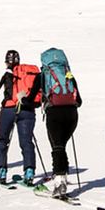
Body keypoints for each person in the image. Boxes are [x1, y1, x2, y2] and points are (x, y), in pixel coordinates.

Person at [0, 50, 42, 184]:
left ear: (6, 61)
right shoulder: (28, 73)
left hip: (8, 110)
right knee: (26, 142)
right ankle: (29, 172)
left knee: (2, 140)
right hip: (27, 109)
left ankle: (1, 172)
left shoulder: (6, 73)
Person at [37, 47, 81, 195]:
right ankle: (63, 176)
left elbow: (33, 97)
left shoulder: (44, 74)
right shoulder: (69, 75)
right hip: (72, 115)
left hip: (54, 112)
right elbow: (79, 101)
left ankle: (59, 181)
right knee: (61, 145)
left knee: (57, 146)